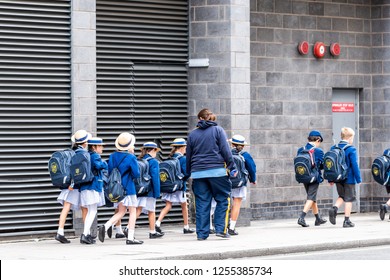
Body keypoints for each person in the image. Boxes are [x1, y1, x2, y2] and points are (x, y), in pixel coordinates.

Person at [186, 108, 237, 240]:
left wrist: (188, 172)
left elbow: (189, 155)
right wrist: (232, 167)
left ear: (200, 119)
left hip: (198, 173)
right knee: (223, 199)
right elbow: (226, 151)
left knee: (202, 203)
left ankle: (202, 234)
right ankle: (220, 229)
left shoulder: (192, 134)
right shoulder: (218, 130)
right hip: (217, 172)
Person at [98, 132, 143, 245]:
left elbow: (109, 171)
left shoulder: (112, 156)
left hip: (117, 188)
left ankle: (106, 225)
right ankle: (130, 238)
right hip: (129, 188)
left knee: (121, 211)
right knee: (132, 211)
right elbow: (136, 174)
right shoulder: (131, 157)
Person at [55, 129, 91, 244]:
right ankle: (87, 233)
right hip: (75, 185)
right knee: (85, 208)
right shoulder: (82, 153)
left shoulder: (71, 152)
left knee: (66, 208)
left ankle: (60, 232)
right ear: (85, 143)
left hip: (70, 185)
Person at [155, 138, 195, 234]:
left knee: (168, 205)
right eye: (185, 147)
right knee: (184, 205)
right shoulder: (183, 159)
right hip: (179, 186)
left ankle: (157, 222)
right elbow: (186, 173)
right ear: (182, 147)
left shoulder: (170, 157)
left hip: (169, 185)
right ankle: (186, 227)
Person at [328, 127, 362, 228]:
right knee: (349, 199)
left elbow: (330, 164)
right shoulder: (351, 149)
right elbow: (354, 165)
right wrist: (358, 178)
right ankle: (346, 221)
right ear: (350, 137)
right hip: (349, 178)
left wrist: (331, 179)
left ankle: (334, 208)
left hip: (338, 177)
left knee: (342, 196)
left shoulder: (334, 148)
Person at [130, 142, 164, 239]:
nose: (156, 153)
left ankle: (129, 227)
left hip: (140, 189)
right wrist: (157, 192)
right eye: (155, 151)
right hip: (150, 190)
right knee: (151, 210)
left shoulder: (139, 159)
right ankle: (152, 232)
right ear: (153, 150)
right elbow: (155, 177)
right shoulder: (153, 161)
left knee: (139, 209)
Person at [79, 137, 107, 244]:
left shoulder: (86, 155)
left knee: (91, 210)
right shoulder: (95, 156)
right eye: (100, 146)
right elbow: (99, 166)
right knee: (92, 211)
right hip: (93, 186)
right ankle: (85, 234)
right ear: (94, 147)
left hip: (85, 186)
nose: (102, 148)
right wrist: (105, 163)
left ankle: (85, 234)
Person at [296, 130, 327, 227]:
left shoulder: (301, 149)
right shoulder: (318, 151)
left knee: (312, 198)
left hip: (304, 176)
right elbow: (322, 165)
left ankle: (318, 219)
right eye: (320, 141)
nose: (319, 144)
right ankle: (301, 217)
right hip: (314, 177)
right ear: (318, 139)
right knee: (311, 197)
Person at [228, 135, 257, 235]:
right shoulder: (245, 155)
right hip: (239, 182)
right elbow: (252, 168)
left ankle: (221, 225)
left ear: (232, 144)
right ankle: (231, 227)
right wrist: (253, 179)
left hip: (227, 182)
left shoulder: (226, 153)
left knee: (225, 203)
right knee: (236, 203)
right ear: (242, 146)